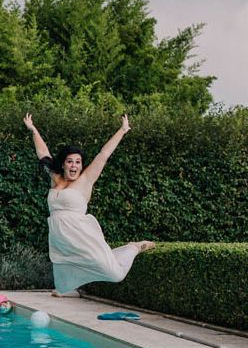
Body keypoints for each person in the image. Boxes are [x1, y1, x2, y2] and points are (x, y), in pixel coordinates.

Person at [23, 112, 155, 296]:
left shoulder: (86, 180)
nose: (74, 165)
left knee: (115, 274)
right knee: (62, 284)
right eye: (70, 162)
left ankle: (133, 247)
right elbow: (43, 154)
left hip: (82, 235)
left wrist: (122, 130)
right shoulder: (56, 179)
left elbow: (104, 153)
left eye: (78, 162)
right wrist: (33, 129)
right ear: (63, 164)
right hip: (61, 238)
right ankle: (70, 288)